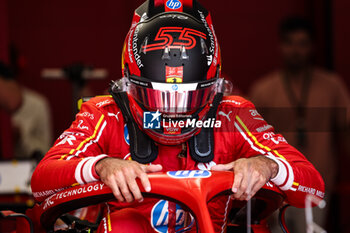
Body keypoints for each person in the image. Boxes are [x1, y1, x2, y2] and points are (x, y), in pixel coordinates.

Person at [31, 1, 324, 232]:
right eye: (159, 98)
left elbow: (314, 187)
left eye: (188, 97)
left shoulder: (233, 114)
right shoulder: (105, 113)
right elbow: (41, 181)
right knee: (126, 225)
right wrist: (101, 166)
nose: (173, 112)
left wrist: (266, 165)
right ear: (129, 86)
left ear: (214, 90)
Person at [249, 17, 350, 232]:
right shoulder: (264, 89)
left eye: (302, 43)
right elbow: (248, 141)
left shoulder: (331, 86)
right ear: (281, 46)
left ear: (312, 47)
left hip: (317, 184)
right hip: (274, 186)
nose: (296, 50)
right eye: (290, 43)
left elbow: (347, 130)